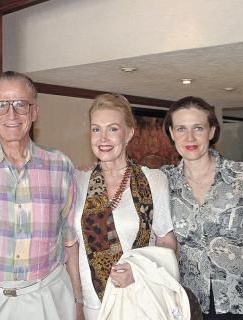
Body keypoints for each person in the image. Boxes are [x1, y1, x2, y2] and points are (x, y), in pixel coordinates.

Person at [0, 71, 83, 320]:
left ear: (34, 112)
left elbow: (69, 241)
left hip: (49, 300)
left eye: (21, 105)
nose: (11, 115)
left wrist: (77, 300)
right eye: (1, 106)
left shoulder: (60, 166)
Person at [161, 96, 243, 320]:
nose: (190, 137)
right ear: (172, 133)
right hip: (195, 302)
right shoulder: (164, 182)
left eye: (198, 128)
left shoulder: (241, 177)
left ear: (212, 131)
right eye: (181, 129)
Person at [74, 93, 178, 320]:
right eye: (96, 129)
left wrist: (140, 271)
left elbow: (166, 243)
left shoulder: (153, 180)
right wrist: (76, 303)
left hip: (141, 299)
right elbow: (69, 248)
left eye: (112, 129)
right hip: (93, 306)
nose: (103, 138)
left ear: (129, 133)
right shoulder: (77, 180)